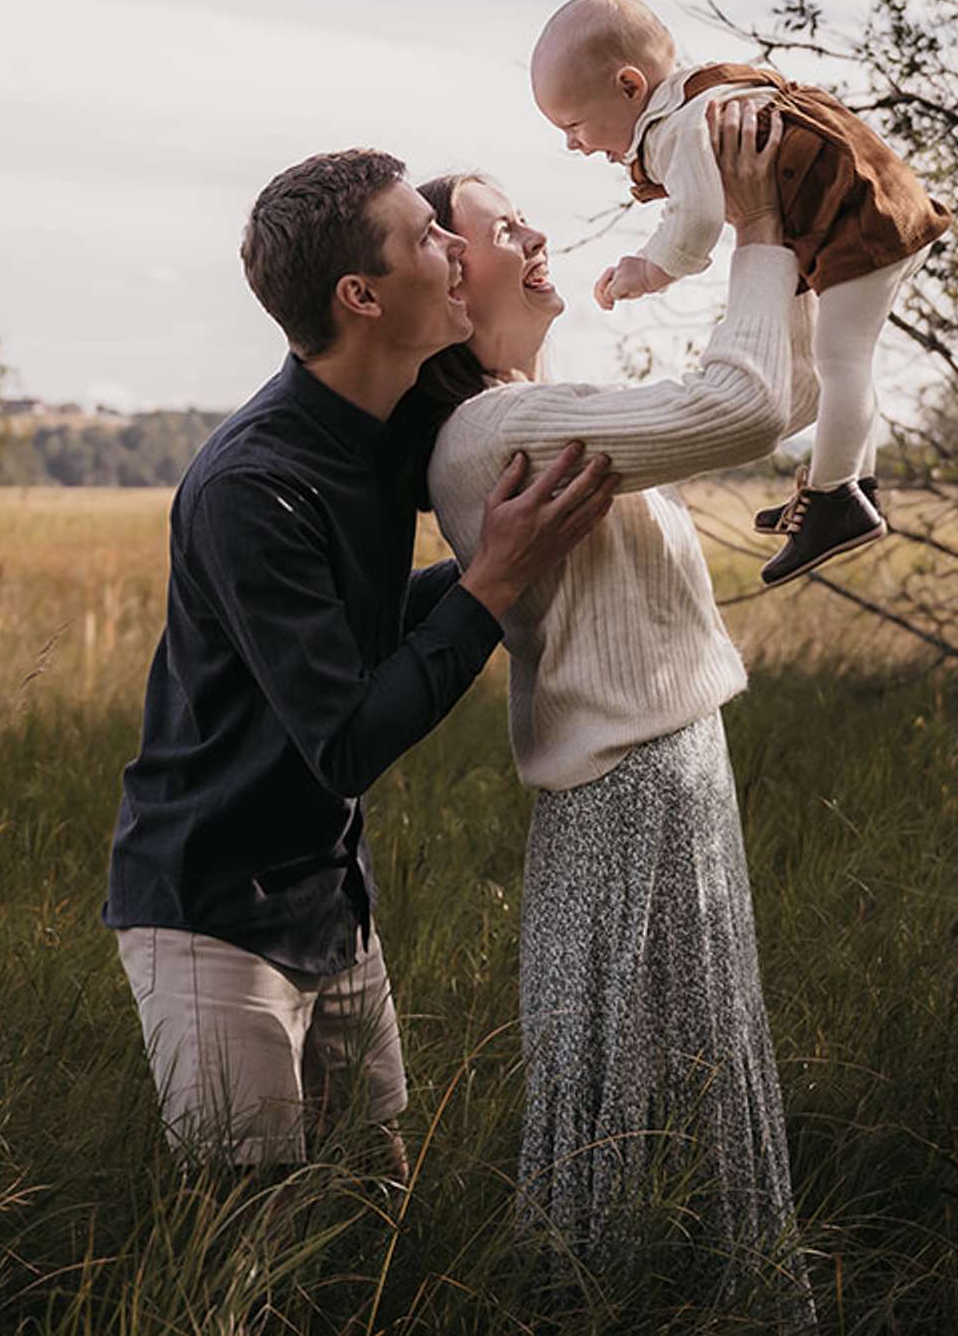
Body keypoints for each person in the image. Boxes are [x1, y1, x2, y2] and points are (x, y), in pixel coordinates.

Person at [103, 147, 618, 1177]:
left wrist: (494, 560)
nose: (451, 248)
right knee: (248, 1232)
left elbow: (373, 626)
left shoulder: (379, 437)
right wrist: (485, 588)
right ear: (360, 296)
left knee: (377, 1197)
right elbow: (343, 739)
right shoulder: (252, 487)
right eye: (426, 236)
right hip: (210, 913)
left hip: (330, 905)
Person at [415, 95, 817, 1321]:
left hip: (669, 771)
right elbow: (742, 406)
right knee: (627, 1095)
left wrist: (787, 237)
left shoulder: (550, 400)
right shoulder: (494, 430)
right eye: (496, 230)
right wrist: (751, 227)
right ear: (445, 282)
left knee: (678, 1078)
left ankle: (682, 1300)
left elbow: (785, 397)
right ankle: (622, 1303)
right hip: (625, 791)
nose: (532, 234)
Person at [529, 0, 949, 585]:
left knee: (840, 360)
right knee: (840, 360)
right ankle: (855, 487)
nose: (572, 144)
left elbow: (696, 221)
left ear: (628, 86)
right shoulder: (701, 92)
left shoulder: (677, 128)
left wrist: (644, 271)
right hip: (853, 216)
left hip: (862, 220)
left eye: (573, 125)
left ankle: (834, 501)